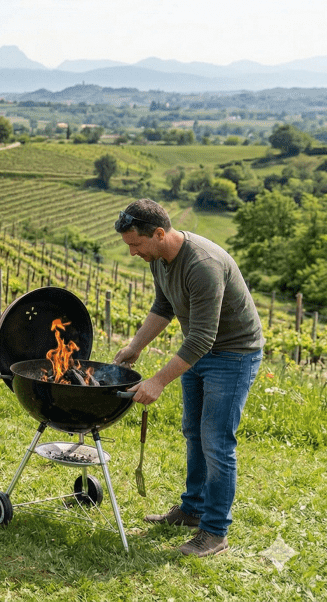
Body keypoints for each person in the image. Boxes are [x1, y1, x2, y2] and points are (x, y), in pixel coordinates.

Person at [113, 199, 264, 558]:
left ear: (160, 233)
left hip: (233, 355)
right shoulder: (159, 259)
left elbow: (201, 338)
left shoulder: (202, 265)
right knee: (193, 431)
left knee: (216, 441)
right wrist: (135, 346)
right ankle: (192, 510)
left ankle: (214, 533)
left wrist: (157, 381)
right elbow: (163, 306)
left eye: (136, 244)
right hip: (199, 353)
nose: (133, 252)